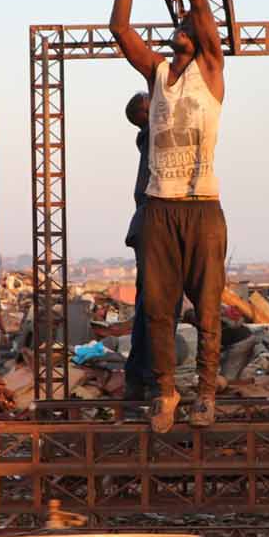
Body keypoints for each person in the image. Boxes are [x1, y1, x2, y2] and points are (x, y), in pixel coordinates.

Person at [109, 0, 227, 432]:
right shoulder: (157, 73)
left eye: (190, 27)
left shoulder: (211, 71)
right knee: (156, 309)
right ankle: (166, 393)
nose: (185, 27)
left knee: (205, 310)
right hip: (160, 206)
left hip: (202, 208)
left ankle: (205, 394)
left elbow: (201, 6)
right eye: (178, 26)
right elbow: (119, 27)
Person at [121, 91, 156, 401]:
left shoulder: (150, 137)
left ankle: (140, 377)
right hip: (151, 226)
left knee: (151, 301)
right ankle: (145, 376)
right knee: (155, 304)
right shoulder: (151, 137)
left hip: (147, 227)